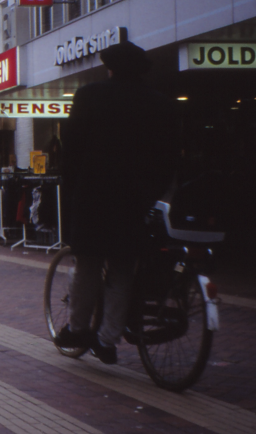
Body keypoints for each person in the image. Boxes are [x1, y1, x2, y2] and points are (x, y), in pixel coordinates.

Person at [55, 41, 176, 364]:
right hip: (134, 202)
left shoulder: (89, 96)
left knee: (88, 264)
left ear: (109, 67)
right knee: (123, 269)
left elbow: (72, 152)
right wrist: (151, 194)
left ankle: (78, 328)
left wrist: (72, 192)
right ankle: (107, 340)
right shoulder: (160, 103)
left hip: (94, 198)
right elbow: (169, 158)